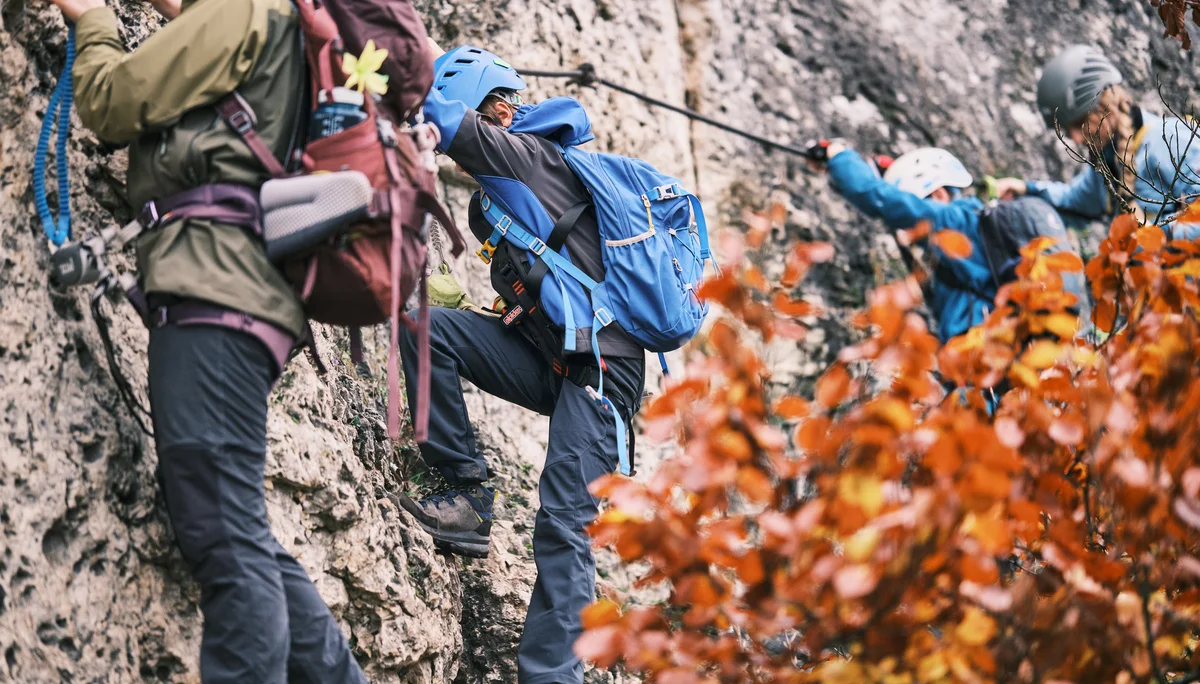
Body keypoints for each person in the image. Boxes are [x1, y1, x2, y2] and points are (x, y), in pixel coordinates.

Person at [44, 0, 367, 681]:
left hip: (217, 297)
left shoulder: (245, 8)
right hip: (246, 300)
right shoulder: (280, 23)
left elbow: (110, 101)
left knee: (224, 533)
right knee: (235, 522)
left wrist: (93, 17)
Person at [390, 41, 646, 683]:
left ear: (495, 113)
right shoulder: (491, 204)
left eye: (481, 116)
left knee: (564, 525)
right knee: (425, 328)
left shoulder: (528, 158)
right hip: (551, 357)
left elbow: (439, 113)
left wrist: (368, 45)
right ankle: (470, 496)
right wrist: (528, 311)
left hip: (602, 372)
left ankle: (550, 677)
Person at [993, 45, 1200, 238]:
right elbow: (1074, 200)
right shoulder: (1108, 163)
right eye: (1067, 130)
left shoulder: (1170, 140)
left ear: (1105, 105)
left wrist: (1157, 236)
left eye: (1080, 123)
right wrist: (1026, 189)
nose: (1075, 138)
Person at [815, 144, 996, 344]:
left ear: (938, 195)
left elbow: (878, 198)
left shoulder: (953, 220)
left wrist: (840, 155)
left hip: (981, 353)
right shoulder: (972, 228)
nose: (909, 231)